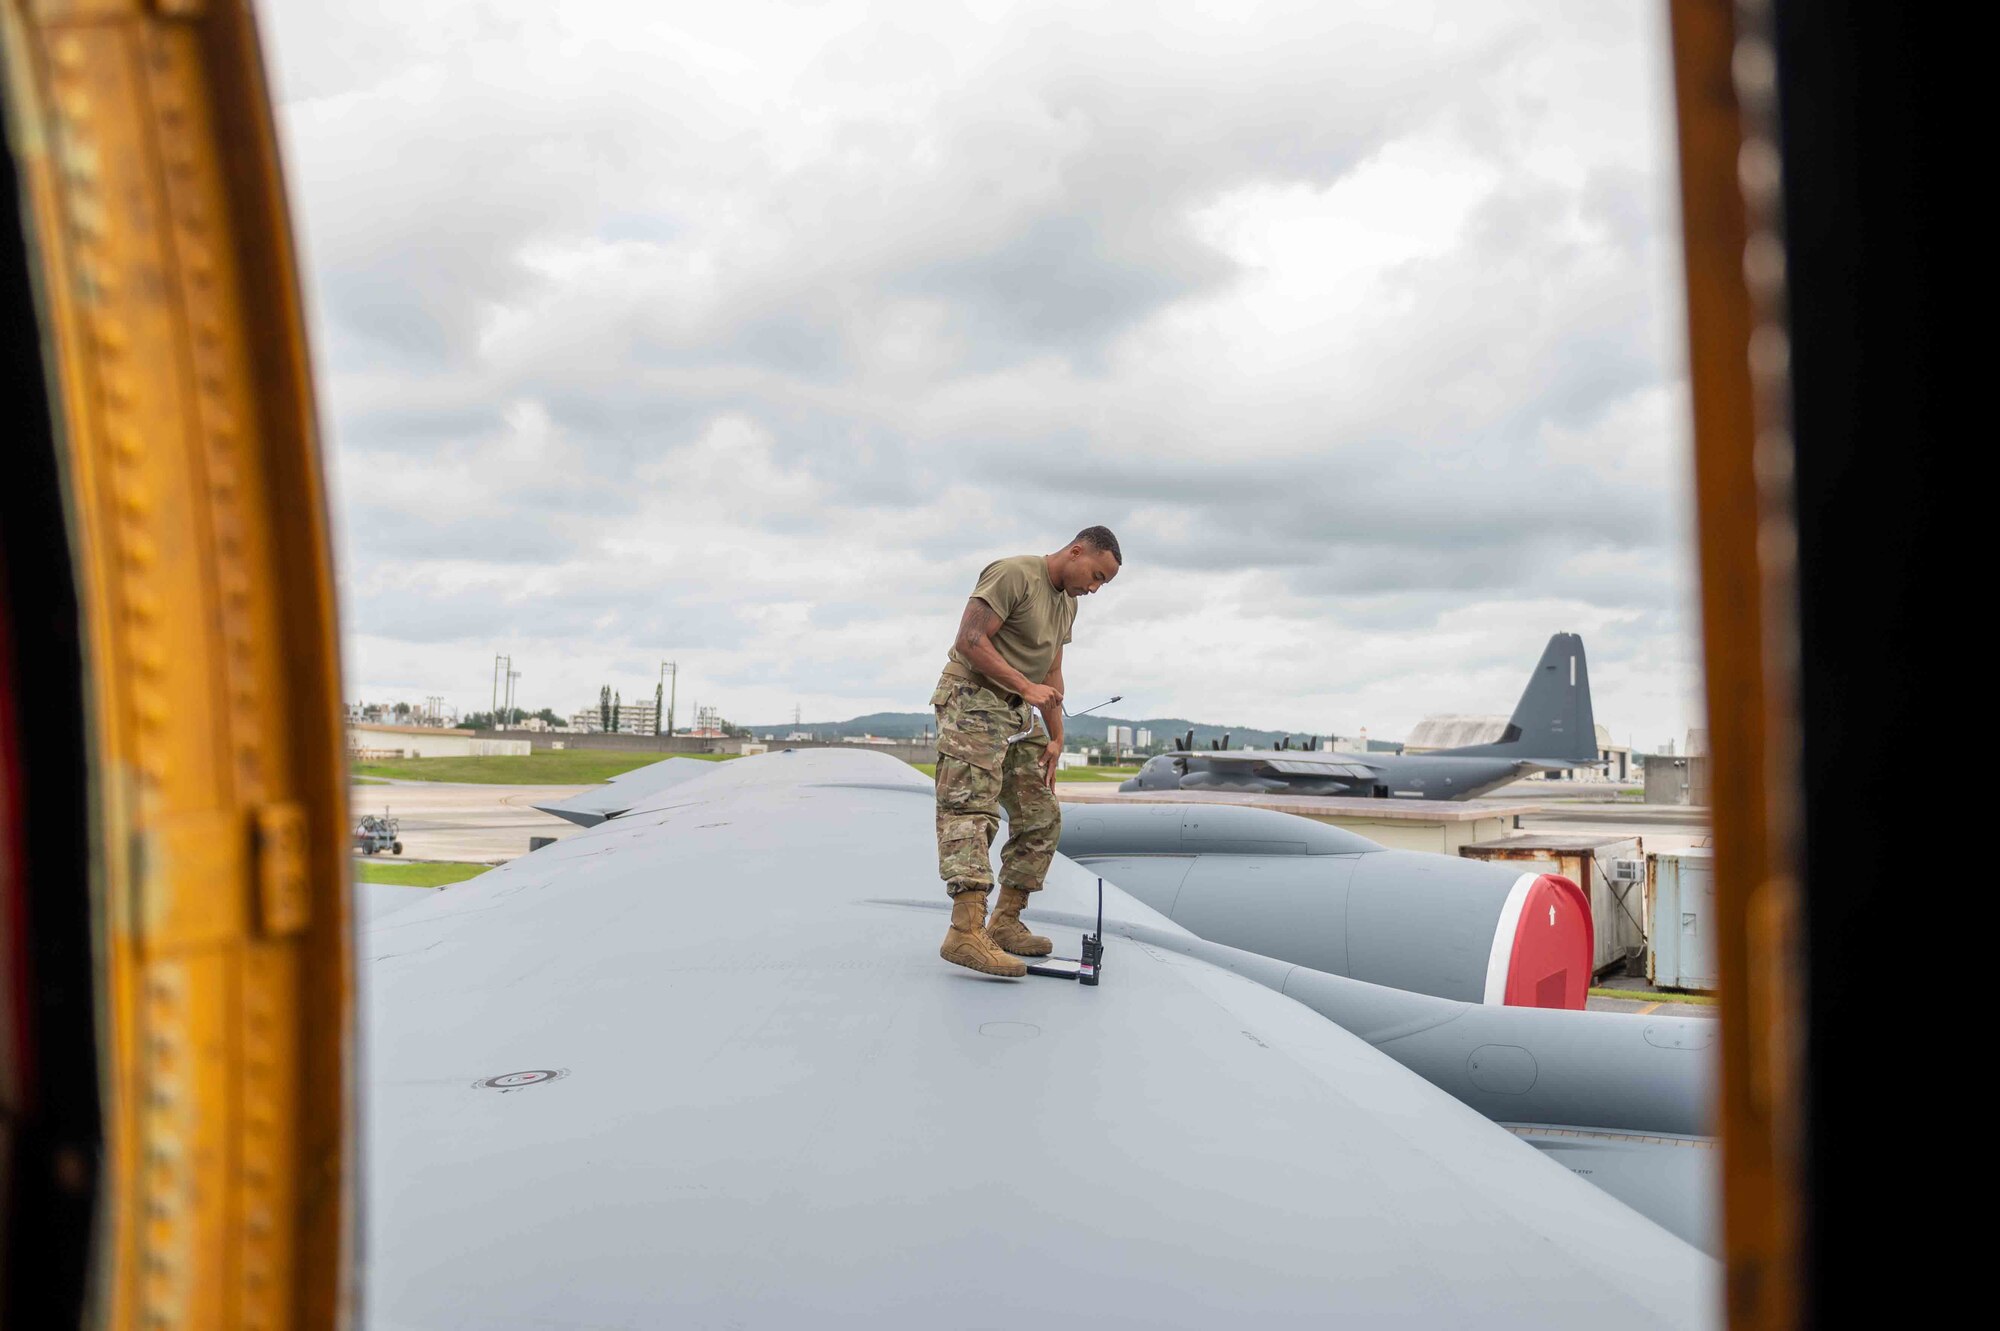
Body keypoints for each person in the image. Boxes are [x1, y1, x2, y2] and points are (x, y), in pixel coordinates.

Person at [931, 527, 1122, 976]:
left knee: (1041, 814)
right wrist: (1024, 687)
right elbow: (970, 641)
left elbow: (1052, 671)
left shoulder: (1067, 603)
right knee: (971, 810)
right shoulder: (1014, 574)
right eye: (1095, 575)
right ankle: (964, 933)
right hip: (972, 700)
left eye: (1102, 584)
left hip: (1018, 713)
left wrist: (1057, 737)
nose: (1093, 588)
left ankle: (1004, 921)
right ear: (1076, 551)